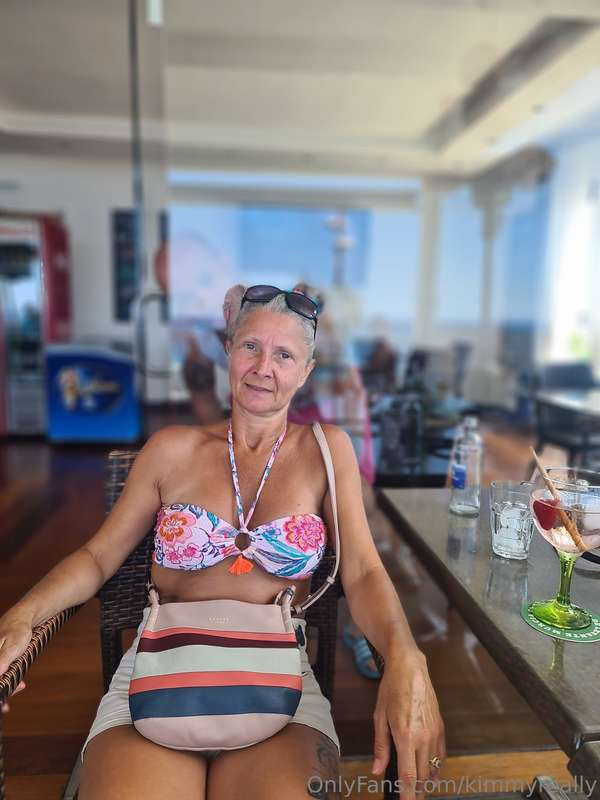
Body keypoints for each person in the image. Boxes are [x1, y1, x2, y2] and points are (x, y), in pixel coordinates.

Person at [0, 284, 446, 800]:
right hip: (157, 666)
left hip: (280, 677)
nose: (263, 367)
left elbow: (364, 571)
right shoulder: (171, 449)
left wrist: (405, 654)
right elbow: (98, 557)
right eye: (250, 346)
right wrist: (23, 615)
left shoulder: (326, 451)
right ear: (229, 350)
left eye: (284, 355)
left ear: (306, 370)